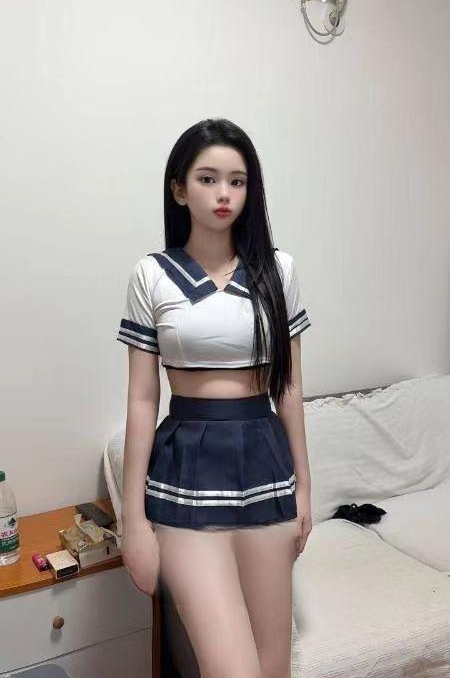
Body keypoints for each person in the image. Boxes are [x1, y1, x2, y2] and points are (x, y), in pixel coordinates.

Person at [116, 117, 312, 678]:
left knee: (273, 668)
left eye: (237, 181)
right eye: (207, 179)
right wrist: (134, 521)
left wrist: (304, 488)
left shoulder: (278, 270)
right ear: (180, 189)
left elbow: (289, 388)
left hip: (266, 472)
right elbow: (141, 401)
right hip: (185, 478)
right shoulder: (152, 275)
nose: (224, 193)